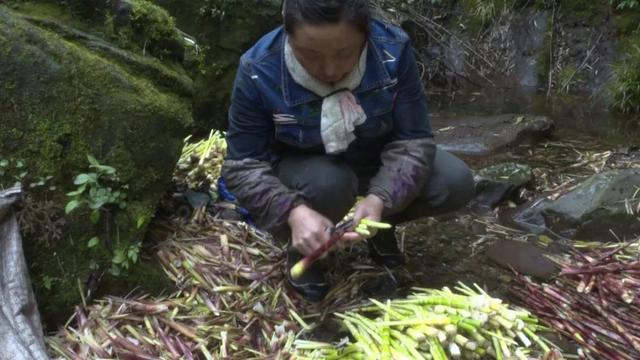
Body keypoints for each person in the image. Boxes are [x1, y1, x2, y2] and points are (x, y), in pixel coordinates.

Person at [221, 0, 475, 301]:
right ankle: (302, 248)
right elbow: (242, 165)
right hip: (305, 168)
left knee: (454, 181)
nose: (329, 69)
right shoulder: (257, 69)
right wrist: (292, 211)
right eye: (310, 55)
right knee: (330, 183)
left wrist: (381, 197)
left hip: (371, 156)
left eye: (344, 54)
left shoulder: (393, 49)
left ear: (365, 35)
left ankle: (379, 225)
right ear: (287, 33)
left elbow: (413, 139)